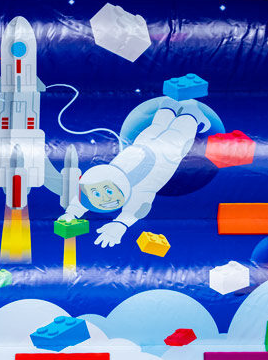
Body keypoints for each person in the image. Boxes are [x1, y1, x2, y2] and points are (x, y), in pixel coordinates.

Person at [59, 98, 210, 248]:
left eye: (108, 191)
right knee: (174, 133)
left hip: (148, 146)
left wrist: (119, 223)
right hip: (162, 152)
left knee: (164, 129)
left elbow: (88, 193)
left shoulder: (114, 179)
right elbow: (137, 208)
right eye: (99, 195)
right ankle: (181, 112)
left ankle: (181, 111)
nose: (105, 197)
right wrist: (73, 213)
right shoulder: (134, 188)